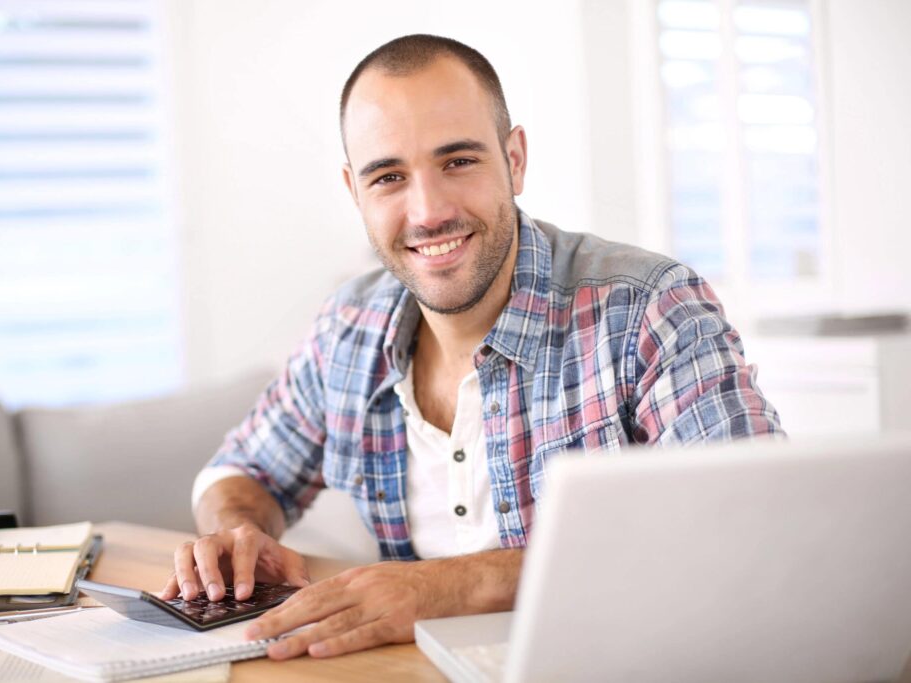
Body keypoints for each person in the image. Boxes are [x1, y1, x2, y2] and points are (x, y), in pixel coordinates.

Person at [160, 34, 782, 659]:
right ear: (355, 192)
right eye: (389, 177)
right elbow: (242, 471)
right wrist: (237, 531)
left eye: (458, 162)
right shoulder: (347, 326)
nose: (428, 211)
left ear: (515, 159)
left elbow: (752, 528)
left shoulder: (649, 308)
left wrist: (448, 588)